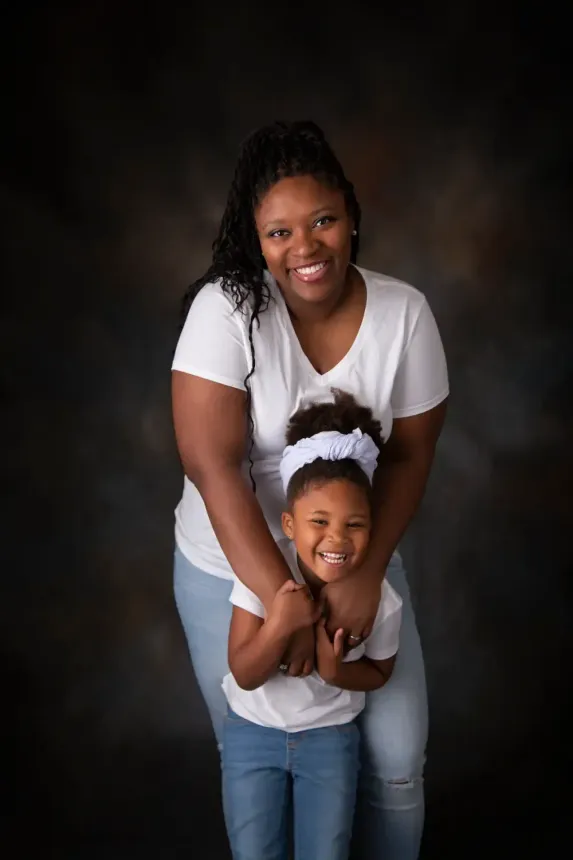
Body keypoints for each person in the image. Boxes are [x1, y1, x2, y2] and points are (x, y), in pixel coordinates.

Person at [172, 120, 449, 860]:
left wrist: (361, 571)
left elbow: (410, 455)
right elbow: (212, 467)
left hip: (354, 556)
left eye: (322, 220)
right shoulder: (226, 312)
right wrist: (282, 600)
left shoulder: (404, 315)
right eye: (279, 231)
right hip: (231, 571)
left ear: (352, 216)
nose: (305, 248)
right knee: (264, 759)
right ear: (256, 240)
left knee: (393, 763)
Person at [222, 391, 403, 860]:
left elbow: (381, 671)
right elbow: (244, 672)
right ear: (289, 523)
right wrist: (280, 623)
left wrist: (337, 671)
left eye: (356, 525)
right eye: (318, 521)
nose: (337, 539)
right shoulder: (263, 578)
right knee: (254, 851)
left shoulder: (380, 599)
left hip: (330, 739)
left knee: (325, 852)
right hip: (252, 733)